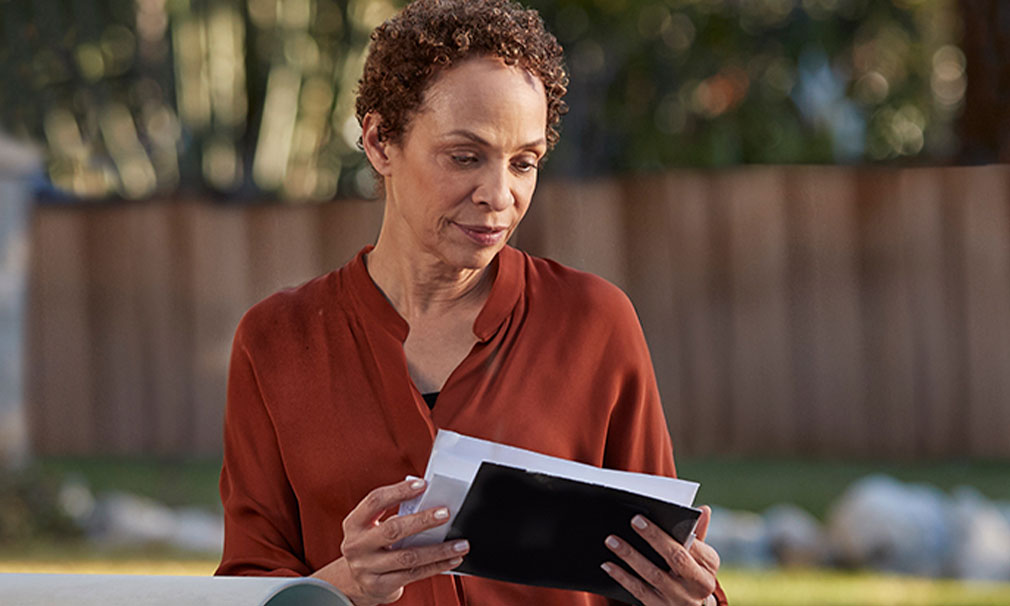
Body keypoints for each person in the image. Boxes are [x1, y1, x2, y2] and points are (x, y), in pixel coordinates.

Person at [215, 1, 725, 605]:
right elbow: (247, 588)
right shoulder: (276, 340)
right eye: (466, 157)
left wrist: (691, 597)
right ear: (380, 142)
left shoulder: (595, 323)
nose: (499, 194)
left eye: (524, 163)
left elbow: (653, 567)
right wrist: (345, 584)